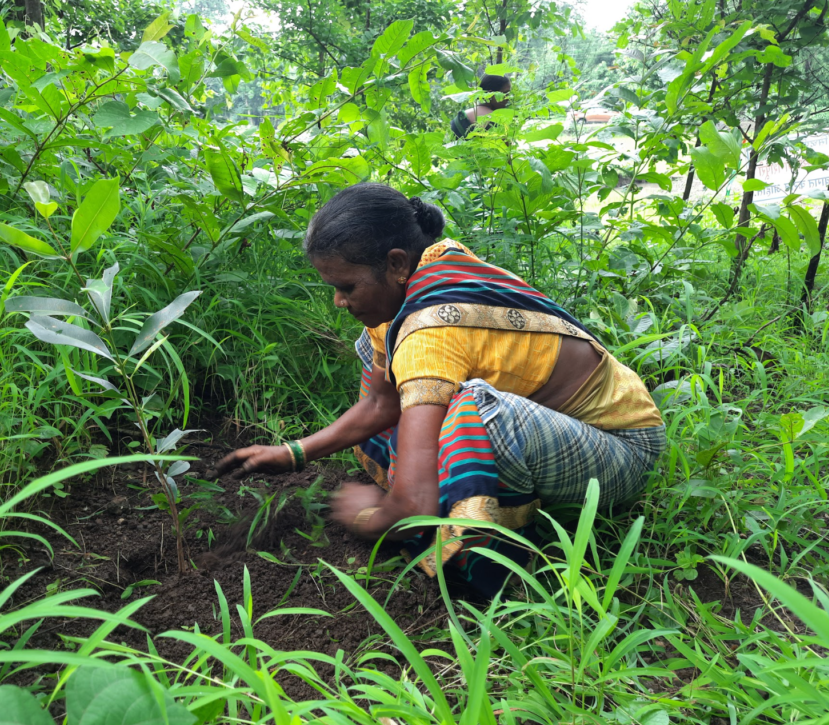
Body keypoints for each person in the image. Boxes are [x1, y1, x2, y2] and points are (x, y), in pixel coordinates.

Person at [216, 183, 665, 597]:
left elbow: (413, 505)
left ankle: (490, 574)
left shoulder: (428, 330)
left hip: (619, 452)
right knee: (402, 392)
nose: (338, 301)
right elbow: (379, 404)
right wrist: (293, 453)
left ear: (395, 263)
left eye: (347, 287)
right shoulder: (420, 279)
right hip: (556, 433)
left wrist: (371, 515)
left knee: (477, 411)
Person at [451, 73, 511, 140]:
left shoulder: (459, 118)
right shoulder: (497, 120)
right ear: (490, 94)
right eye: (505, 93)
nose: (508, 98)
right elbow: (507, 149)